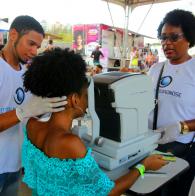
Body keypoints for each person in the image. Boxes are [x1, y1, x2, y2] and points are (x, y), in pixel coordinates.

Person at [22, 48, 167, 196]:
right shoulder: (70, 143)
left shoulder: (32, 125)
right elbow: (107, 192)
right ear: (74, 100)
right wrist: (143, 166)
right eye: (86, 96)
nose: (89, 102)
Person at [0, 15, 66, 195]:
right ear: (13, 34)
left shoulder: (27, 73)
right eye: (30, 43)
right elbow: (22, 112)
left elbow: (30, 116)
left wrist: (44, 110)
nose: (35, 51)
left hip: (14, 165)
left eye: (37, 46)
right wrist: (22, 111)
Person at [148, 9, 195, 196]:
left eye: (174, 37)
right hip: (152, 145)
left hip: (182, 147)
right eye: (163, 37)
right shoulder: (155, 69)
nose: (167, 43)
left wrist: (181, 127)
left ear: (189, 38)